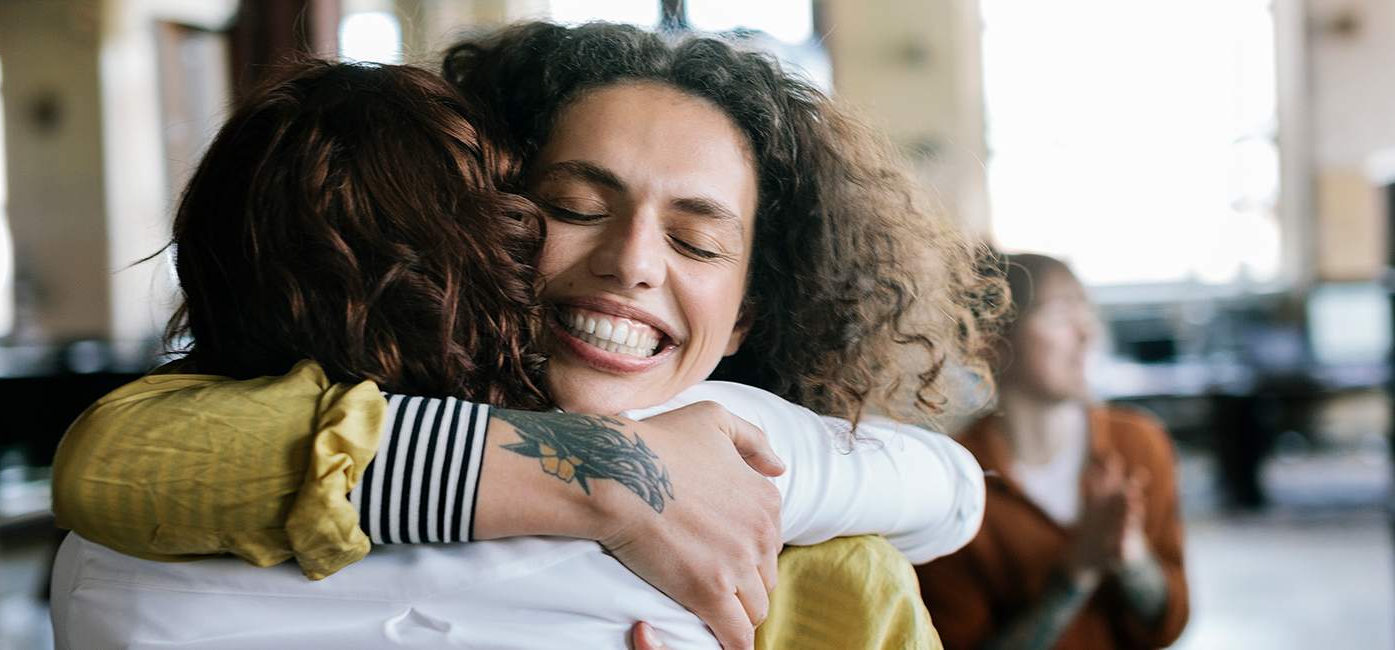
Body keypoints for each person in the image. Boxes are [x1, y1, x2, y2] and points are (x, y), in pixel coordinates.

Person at [51, 22, 998, 649]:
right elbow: (110, 459)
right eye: (574, 207)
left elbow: (948, 491)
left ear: (750, 311)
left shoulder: (821, 566)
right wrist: (609, 479)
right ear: (484, 224)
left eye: (697, 239)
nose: (632, 262)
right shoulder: (264, 445)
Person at [915, 253, 1188, 650]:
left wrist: (1132, 558)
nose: (1087, 333)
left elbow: (1168, 624)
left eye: (1086, 310)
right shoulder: (950, 480)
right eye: (1060, 314)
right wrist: (1079, 569)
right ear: (989, 342)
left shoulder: (1140, 444)